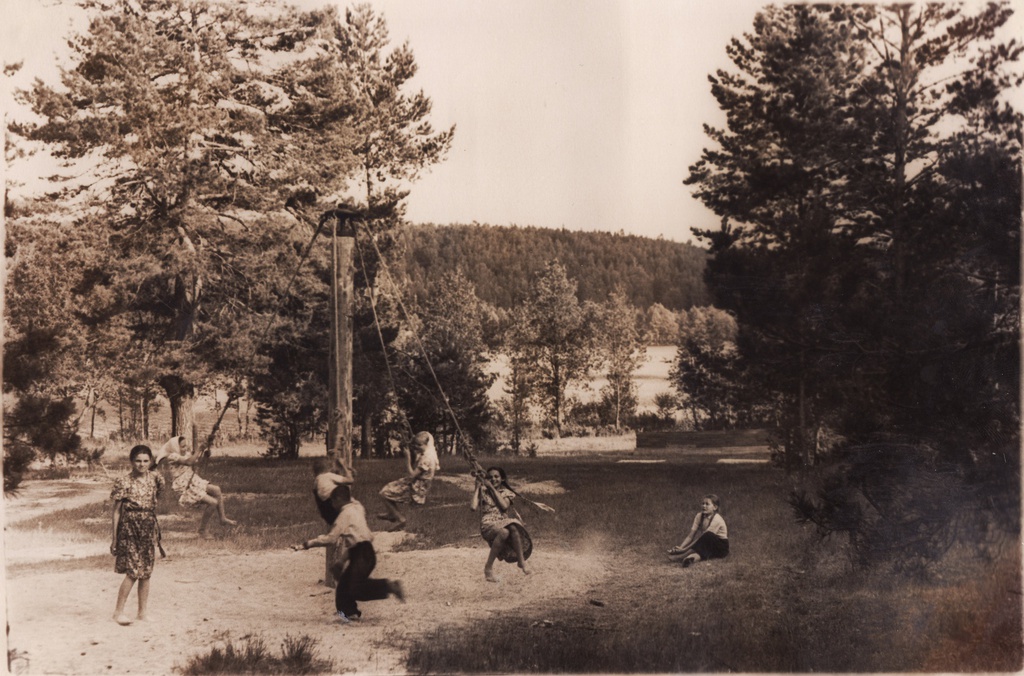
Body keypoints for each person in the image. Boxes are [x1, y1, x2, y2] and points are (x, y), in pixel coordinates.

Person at [292, 484, 405, 623]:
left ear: (339, 499)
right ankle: (348, 613)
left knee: (355, 587)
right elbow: (354, 542)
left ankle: (389, 586)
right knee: (343, 587)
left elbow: (331, 539)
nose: (332, 505)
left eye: (333, 501)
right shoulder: (358, 507)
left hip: (362, 554)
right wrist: (341, 561)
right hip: (362, 552)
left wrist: (308, 544)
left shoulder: (344, 516)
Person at [110, 444, 166, 626]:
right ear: (131, 462)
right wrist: (115, 538)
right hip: (130, 528)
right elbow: (116, 511)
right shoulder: (123, 482)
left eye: (145, 461)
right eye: (138, 461)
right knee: (133, 571)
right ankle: (118, 612)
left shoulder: (156, 478)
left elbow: (157, 496)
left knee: (146, 571)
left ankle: (142, 613)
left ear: (150, 462)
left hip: (148, 526)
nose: (142, 465)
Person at [154, 436, 237, 538]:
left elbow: (195, 460)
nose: (185, 449)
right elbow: (189, 462)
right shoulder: (172, 456)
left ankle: (222, 518)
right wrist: (199, 450)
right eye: (182, 447)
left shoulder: (184, 454)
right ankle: (202, 530)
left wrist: (205, 454)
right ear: (175, 447)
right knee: (213, 502)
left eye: (186, 446)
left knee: (216, 490)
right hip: (184, 485)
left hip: (192, 480)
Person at [471, 466, 533, 582]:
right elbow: (473, 507)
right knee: (511, 526)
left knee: (507, 530)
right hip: (488, 524)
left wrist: (491, 489)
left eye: (496, 477)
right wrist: (477, 488)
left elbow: (504, 506)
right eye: (490, 477)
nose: (493, 479)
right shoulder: (483, 492)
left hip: (502, 522)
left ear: (502, 479)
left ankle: (518, 562)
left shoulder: (507, 493)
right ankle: (519, 562)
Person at [377, 431, 440, 531]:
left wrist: (408, 458)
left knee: (384, 493)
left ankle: (400, 519)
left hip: (416, 487)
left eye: (420, 445)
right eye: (416, 445)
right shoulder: (429, 453)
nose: (417, 447)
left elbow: (411, 475)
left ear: (426, 444)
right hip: (417, 483)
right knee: (388, 490)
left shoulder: (427, 458)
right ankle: (392, 514)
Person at [667, 494, 729, 567]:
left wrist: (684, 550)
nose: (704, 506)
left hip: (721, 547)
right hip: (708, 544)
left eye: (707, 504)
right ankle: (689, 559)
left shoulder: (717, 519)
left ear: (715, 507)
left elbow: (704, 537)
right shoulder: (699, 516)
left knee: (707, 535)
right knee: (701, 553)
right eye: (703, 503)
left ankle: (682, 556)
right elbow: (691, 535)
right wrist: (681, 547)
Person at [311, 457, 355, 525]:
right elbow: (350, 480)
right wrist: (344, 466)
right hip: (335, 503)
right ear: (328, 468)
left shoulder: (317, 480)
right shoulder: (328, 476)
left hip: (325, 508)